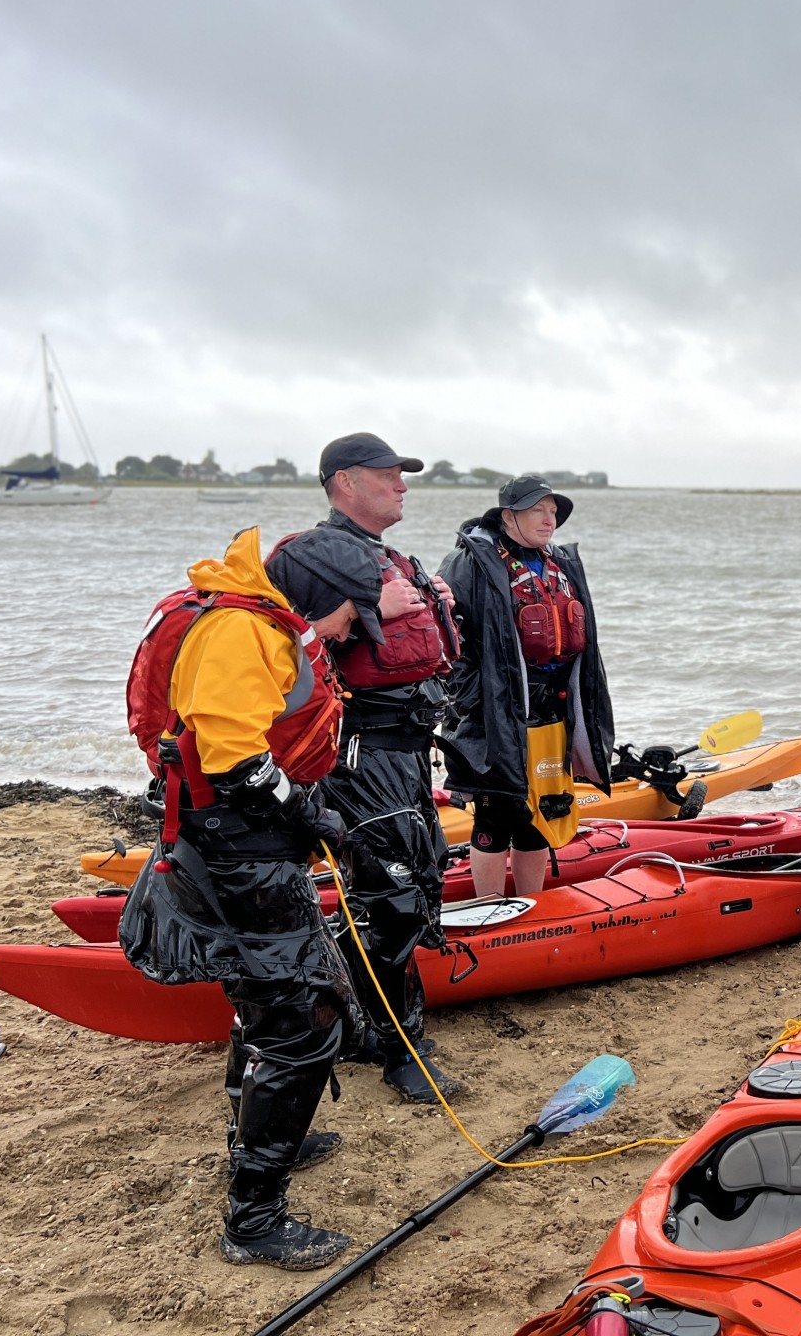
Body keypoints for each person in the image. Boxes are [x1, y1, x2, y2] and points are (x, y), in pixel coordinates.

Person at [117, 527, 366, 1270]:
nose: (353, 628)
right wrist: (311, 814)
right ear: (319, 596)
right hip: (235, 849)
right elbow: (233, 760)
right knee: (302, 1019)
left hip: (236, 841)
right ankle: (255, 1219)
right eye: (352, 613)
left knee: (264, 997)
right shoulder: (239, 632)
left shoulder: (256, 618)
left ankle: (254, 1142)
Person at [265, 432, 463, 1106]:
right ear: (345, 482)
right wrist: (363, 611)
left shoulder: (387, 558)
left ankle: (362, 1028)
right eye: (389, 476)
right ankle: (403, 1053)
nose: (403, 485)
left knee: (405, 888)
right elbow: (268, 641)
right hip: (358, 755)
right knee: (394, 897)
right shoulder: (313, 557)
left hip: (406, 754)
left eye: (403, 476)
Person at [438, 476, 615, 900]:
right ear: (508, 516)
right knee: (496, 812)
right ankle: (488, 905)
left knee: (541, 813)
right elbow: (446, 639)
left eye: (553, 511)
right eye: (538, 510)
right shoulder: (469, 563)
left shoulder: (560, 563)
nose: (549, 519)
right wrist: (471, 699)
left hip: (553, 707)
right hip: (495, 713)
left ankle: (532, 903)